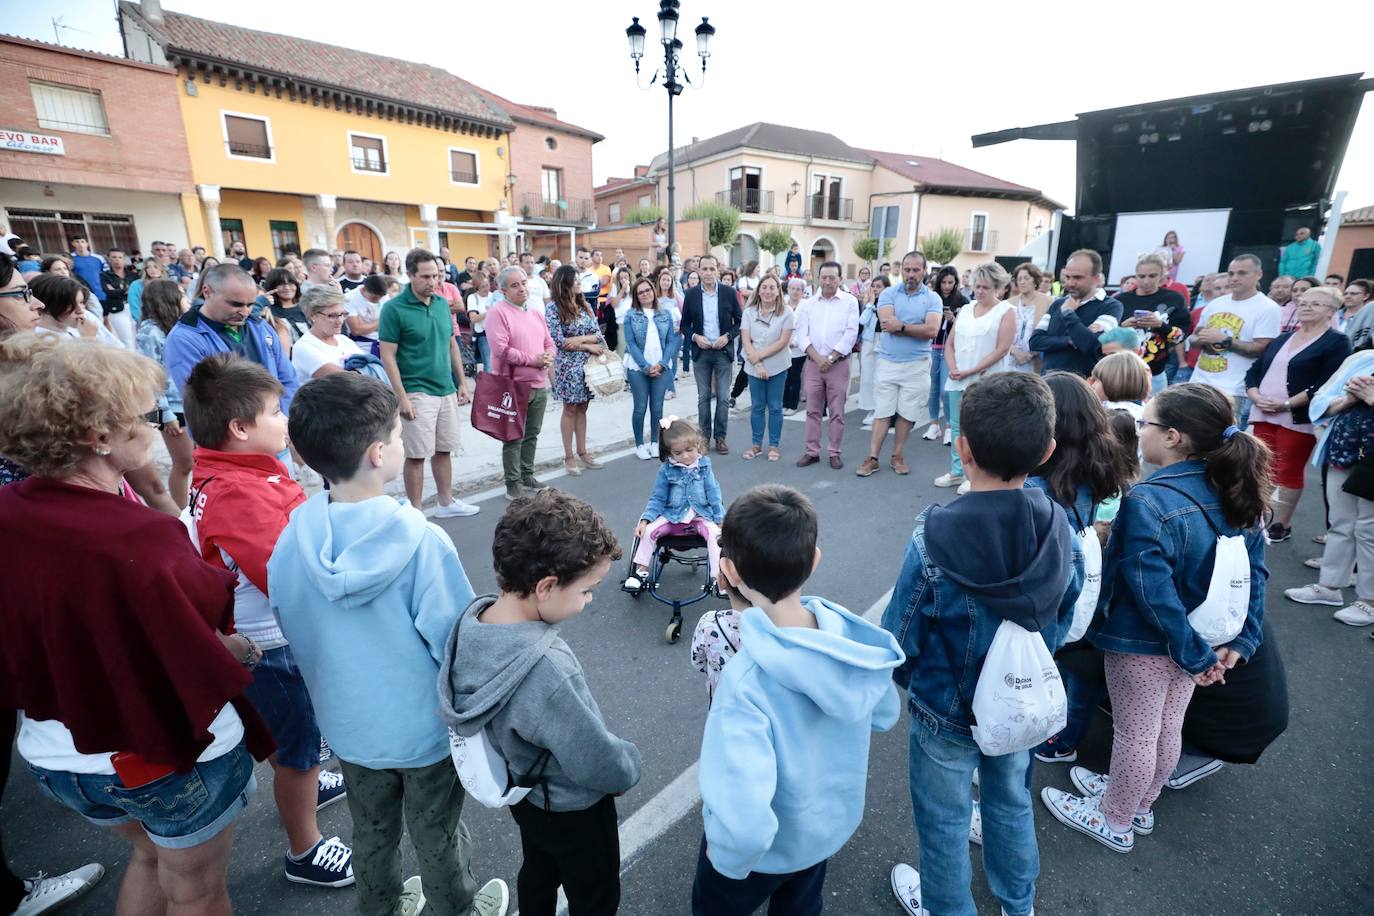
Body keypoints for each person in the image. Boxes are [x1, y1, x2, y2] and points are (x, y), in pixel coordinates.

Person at [0, 334, 272, 915]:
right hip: (160, 755)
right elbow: (202, 643)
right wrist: (243, 650)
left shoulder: (8, 514)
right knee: (197, 895)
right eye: (146, 414)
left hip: (57, 756)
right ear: (100, 436)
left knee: (150, 858)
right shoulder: (138, 538)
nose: (159, 423)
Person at [267, 373, 510, 916]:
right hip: (421, 731)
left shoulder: (293, 537)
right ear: (379, 453)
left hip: (349, 729)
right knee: (438, 833)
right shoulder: (422, 541)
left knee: (371, 831)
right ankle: (459, 908)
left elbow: (286, 616)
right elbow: (454, 643)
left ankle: (381, 907)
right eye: (399, 439)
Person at [884, 372, 1083, 916]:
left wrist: (912, 685)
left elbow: (900, 635)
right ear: (1046, 451)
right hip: (1024, 699)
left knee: (945, 823)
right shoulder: (1059, 524)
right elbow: (1068, 607)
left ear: (961, 446)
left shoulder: (934, 535)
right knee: (1010, 802)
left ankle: (948, 908)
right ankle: (1018, 906)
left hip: (946, 707)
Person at [1042, 383, 1269, 853]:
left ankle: (1115, 818)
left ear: (1173, 437)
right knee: (1167, 727)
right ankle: (1139, 802)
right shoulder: (1232, 486)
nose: (1138, 431)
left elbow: (1150, 589)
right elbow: (1256, 574)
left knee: (1136, 734)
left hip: (1145, 644)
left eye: (1146, 424)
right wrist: (1235, 643)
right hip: (1202, 640)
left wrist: (1191, 655)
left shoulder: (1150, 499)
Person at [183, 355, 356, 890]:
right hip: (269, 644)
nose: (285, 420)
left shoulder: (231, 469)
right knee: (300, 746)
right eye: (275, 411)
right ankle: (304, 849)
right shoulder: (239, 492)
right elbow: (287, 575)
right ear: (240, 428)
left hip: (261, 636)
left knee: (294, 739)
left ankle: (302, 778)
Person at [693, 484, 900, 915]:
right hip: (822, 832)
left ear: (728, 571)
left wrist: (726, 857)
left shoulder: (745, 680)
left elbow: (744, 809)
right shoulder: (844, 641)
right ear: (815, 560)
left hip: (764, 854)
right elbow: (884, 712)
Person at [439, 489, 638, 916]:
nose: (590, 600)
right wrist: (628, 765)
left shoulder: (472, 623)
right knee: (594, 892)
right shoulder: (547, 667)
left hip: (526, 795)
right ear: (547, 587)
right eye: (588, 590)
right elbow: (591, 758)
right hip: (575, 807)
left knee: (539, 867)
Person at [1028, 372, 1138, 765]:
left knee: (1052, 668)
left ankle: (1053, 738)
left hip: (1052, 599)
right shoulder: (1098, 468)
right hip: (1092, 595)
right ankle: (1066, 735)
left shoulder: (1036, 489)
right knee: (1080, 673)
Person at [1243, 285, 1349, 541]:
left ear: (1332, 311)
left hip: (1298, 417)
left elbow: (1330, 382)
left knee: (1288, 469)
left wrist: (1288, 404)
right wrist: (1255, 395)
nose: (1306, 306)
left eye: (1315, 303)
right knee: (1262, 466)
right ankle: (1259, 516)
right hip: (1264, 411)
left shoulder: (1336, 342)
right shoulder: (1282, 338)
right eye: (1303, 302)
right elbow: (1255, 371)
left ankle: (1281, 524)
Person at [378, 249, 478, 517]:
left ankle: (446, 502)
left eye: (435, 276)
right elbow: (387, 354)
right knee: (417, 454)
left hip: (446, 387)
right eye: (425, 276)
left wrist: (462, 383)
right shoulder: (393, 309)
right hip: (416, 390)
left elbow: (451, 345)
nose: (432, 282)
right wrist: (401, 396)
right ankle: (416, 512)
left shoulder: (441, 304)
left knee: (444, 449)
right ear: (409, 275)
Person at [859, 253, 942, 478]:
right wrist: (916, 327)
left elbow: (932, 331)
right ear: (902, 270)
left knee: (907, 413)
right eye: (907, 269)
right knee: (882, 411)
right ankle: (873, 457)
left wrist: (903, 327)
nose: (911, 274)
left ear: (924, 271)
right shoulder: (888, 293)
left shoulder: (933, 298)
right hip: (888, 362)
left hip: (917, 364)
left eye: (916, 270)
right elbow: (887, 324)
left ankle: (897, 455)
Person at [935, 262, 1017, 488]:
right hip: (958, 379)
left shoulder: (1007, 311)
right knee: (957, 426)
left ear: (999, 288)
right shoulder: (966, 309)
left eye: (986, 287)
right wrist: (953, 368)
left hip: (987, 381)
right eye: (977, 286)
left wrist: (971, 370)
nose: (980, 291)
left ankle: (978, 476)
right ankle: (957, 471)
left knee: (981, 429)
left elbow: (1002, 348)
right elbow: (950, 344)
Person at [625, 416, 725, 588]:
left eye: (689, 450)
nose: (685, 456)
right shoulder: (666, 470)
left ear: (698, 445)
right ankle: (641, 571)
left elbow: (713, 493)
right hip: (672, 516)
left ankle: (718, 578)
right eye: (678, 453)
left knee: (716, 536)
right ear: (669, 453)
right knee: (647, 532)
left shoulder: (704, 466)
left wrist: (720, 518)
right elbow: (658, 498)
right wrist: (645, 520)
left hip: (699, 517)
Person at [486, 266, 556, 499]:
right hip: (513, 386)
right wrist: (533, 360)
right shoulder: (498, 313)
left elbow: (549, 342)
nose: (521, 288)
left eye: (523, 283)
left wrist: (547, 356)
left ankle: (527, 475)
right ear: (503, 290)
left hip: (538, 384)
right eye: (514, 285)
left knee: (532, 434)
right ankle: (512, 483)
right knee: (514, 436)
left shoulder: (535, 312)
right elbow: (501, 350)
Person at [1189, 254, 1282, 428]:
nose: (1234, 278)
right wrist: (1201, 340)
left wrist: (1224, 340)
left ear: (1258, 275)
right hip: (1199, 381)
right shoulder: (1215, 304)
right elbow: (1194, 338)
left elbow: (1262, 349)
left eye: (1242, 273)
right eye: (1231, 273)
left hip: (1233, 389)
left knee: (1223, 441)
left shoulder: (1268, 308)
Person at [136, 278, 196, 509]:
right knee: (183, 463)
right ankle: (180, 513)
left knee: (192, 462)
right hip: (167, 408)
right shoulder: (149, 331)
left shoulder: (174, 326)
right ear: (168, 299)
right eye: (181, 294)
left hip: (185, 402)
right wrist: (165, 415)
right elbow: (150, 378)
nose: (186, 298)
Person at [793, 262, 858, 469]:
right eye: (824, 277)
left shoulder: (849, 302)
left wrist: (830, 358)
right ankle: (812, 451)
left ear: (840, 279)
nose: (827, 282)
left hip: (838, 365)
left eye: (832, 278)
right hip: (813, 364)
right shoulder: (808, 304)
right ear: (818, 278)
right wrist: (818, 358)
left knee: (837, 411)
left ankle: (834, 452)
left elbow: (851, 333)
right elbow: (801, 335)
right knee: (812, 410)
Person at [545, 265, 607, 477]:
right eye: (576, 280)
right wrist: (587, 345)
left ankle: (583, 452)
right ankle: (569, 457)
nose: (580, 283)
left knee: (583, 409)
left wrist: (579, 341)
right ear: (565, 283)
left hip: (588, 367)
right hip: (568, 367)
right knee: (570, 409)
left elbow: (599, 335)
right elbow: (558, 340)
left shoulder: (585, 306)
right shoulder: (553, 308)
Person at [682, 255, 743, 454]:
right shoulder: (691, 295)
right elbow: (684, 325)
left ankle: (721, 437)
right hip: (701, 351)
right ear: (699, 271)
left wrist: (727, 336)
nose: (708, 273)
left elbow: (739, 322)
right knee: (703, 397)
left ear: (718, 270)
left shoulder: (729, 293)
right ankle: (704, 437)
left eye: (711, 269)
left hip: (723, 351)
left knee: (724, 397)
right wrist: (695, 337)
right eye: (704, 269)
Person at [1029, 249, 1123, 377]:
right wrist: (1071, 341)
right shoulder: (1058, 304)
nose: (1071, 283)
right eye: (1068, 277)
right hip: (1049, 382)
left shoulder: (1111, 306)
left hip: (1084, 386)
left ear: (1096, 278)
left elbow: (1090, 344)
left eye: (1078, 278)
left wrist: (1068, 313)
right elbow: (1035, 342)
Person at [1116, 252, 1190, 395]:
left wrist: (1160, 325)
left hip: (1155, 374)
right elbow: (1104, 338)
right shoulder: (1120, 300)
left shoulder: (1174, 299)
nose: (1146, 281)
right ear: (1135, 275)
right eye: (1141, 276)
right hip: (1121, 371)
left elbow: (1180, 336)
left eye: (1152, 276)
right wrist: (1123, 327)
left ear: (1163, 275)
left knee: (1151, 416)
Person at [624, 277, 680, 460]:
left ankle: (655, 443)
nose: (645, 294)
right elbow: (631, 343)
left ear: (653, 291)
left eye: (648, 290)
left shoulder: (665, 314)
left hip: (661, 365)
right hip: (637, 367)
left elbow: (671, 341)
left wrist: (663, 364)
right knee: (640, 407)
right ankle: (640, 445)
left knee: (657, 408)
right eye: (641, 292)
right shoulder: (631, 315)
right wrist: (645, 366)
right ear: (636, 296)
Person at [739, 275, 794, 461]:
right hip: (754, 366)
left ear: (778, 291)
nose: (768, 291)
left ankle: (774, 445)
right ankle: (756, 445)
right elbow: (746, 340)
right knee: (757, 406)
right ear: (758, 290)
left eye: (772, 287)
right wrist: (757, 363)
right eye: (764, 287)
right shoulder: (749, 312)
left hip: (777, 366)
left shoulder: (786, 312)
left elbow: (783, 342)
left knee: (775, 406)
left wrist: (759, 357)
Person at [923, 266, 967, 442]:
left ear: (956, 283)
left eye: (950, 282)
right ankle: (934, 424)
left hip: (950, 350)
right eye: (944, 282)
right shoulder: (932, 299)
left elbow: (965, 328)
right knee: (932, 389)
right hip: (932, 347)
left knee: (945, 390)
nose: (947, 286)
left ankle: (949, 425)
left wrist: (954, 320)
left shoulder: (963, 301)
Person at [292, 287, 364, 384]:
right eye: (332, 315)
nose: (340, 321)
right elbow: (346, 381)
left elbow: (372, 367)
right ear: (313, 315)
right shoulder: (304, 347)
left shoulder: (344, 340)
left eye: (342, 314)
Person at [856, 274, 889, 427]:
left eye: (879, 287)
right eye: (874, 286)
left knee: (880, 377)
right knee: (867, 376)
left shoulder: (889, 304)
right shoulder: (870, 304)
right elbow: (862, 320)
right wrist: (870, 304)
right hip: (869, 340)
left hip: (883, 341)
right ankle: (870, 408)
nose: (875, 290)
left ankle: (879, 409)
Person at [1007, 263, 1052, 375]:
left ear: (1035, 280)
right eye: (1019, 279)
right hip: (1009, 360)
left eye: (1026, 278)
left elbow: (1051, 331)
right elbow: (1000, 333)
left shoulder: (1048, 302)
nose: (1022, 282)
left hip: (1035, 362)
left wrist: (1031, 354)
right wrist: (1014, 351)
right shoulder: (1009, 303)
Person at [258, 266, 309, 345]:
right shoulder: (268, 312)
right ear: (272, 286)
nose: (287, 288)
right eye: (281, 284)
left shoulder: (306, 308)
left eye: (290, 283)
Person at [780, 277, 808, 415]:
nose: (795, 292)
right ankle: (783, 402)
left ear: (802, 292)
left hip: (797, 349)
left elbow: (806, 328)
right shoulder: (782, 303)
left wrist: (794, 342)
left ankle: (792, 405)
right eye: (793, 288)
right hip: (781, 347)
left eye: (799, 289)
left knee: (795, 376)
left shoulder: (806, 306)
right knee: (784, 376)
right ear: (788, 289)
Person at [344, 274, 390, 352]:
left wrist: (365, 326)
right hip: (361, 344)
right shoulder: (350, 298)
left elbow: (389, 324)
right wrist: (381, 322)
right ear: (364, 289)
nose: (378, 301)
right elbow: (356, 331)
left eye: (380, 298)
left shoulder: (384, 296)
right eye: (374, 298)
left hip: (384, 340)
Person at [99, 247, 135, 347]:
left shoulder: (133, 275)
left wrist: (117, 291)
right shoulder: (105, 275)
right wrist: (126, 290)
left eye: (120, 257)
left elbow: (136, 291)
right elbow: (109, 292)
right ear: (109, 259)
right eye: (114, 257)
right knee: (127, 340)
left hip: (134, 307)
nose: (117, 260)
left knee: (137, 337)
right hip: (117, 309)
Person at [465, 271, 496, 370]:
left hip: (496, 333)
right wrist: (490, 312)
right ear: (477, 287)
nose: (486, 288)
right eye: (483, 286)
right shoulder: (473, 298)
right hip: (483, 334)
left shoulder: (494, 296)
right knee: (488, 363)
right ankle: (489, 385)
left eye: (487, 285)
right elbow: (473, 318)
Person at [67, 236, 105, 306]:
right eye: (77, 242)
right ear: (72, 244)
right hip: (80, 294)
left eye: (82, 241)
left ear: (87, 243)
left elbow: (106, 275)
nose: (80, 244)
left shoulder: (99, 258)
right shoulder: (70, 258)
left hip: (100, 294)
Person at [1339, 279, 1374, 348]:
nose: (1348, 296)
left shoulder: (1369, 317)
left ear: (1366, 296)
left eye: (1353, 293)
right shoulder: (1334, 315)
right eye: (1345, 294)